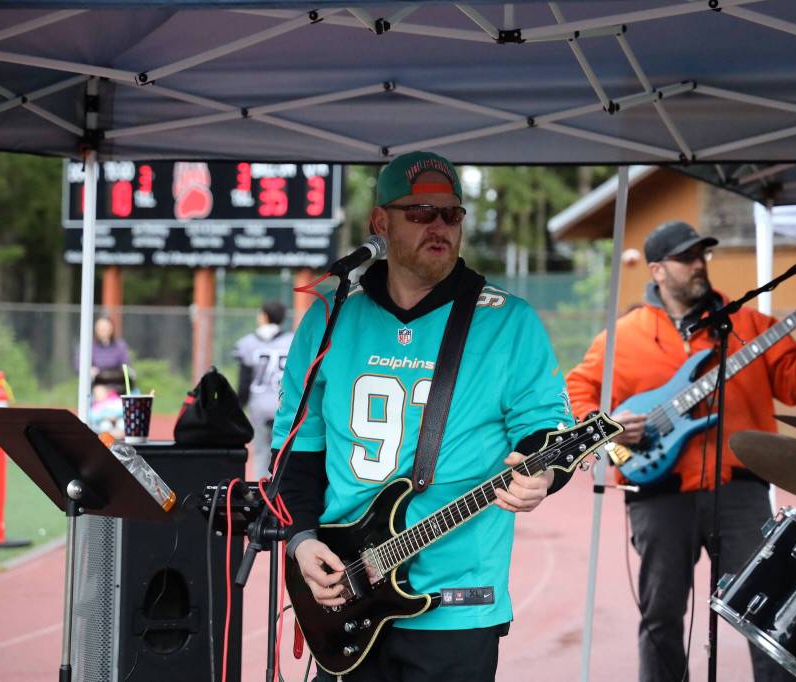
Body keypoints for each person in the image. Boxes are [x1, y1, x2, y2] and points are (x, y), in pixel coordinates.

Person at [271, 151, 572, 682]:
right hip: (345, 592)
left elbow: (545, 428)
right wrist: (301, 541)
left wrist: (543, 471)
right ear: (380, 223)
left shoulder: (509, 323)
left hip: (458, 601)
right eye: (421, 214)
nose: (440, 227)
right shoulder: (330, 314)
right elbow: (295, 451)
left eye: (452, 214)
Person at [565, 220, 796, 682]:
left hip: (739, 490)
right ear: (657, 270)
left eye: (702, 255)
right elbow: (579, 387)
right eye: (686, 258)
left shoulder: (748, 326)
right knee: (661, 615)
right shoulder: (625, 335)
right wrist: (609, 429)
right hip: (658, 492)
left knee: (770, 613)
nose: (699, 265)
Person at [233, 300, 294, 477]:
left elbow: (244, 384)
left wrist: (238, 408)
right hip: (284, 403)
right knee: (284, 454)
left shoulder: (248, 343)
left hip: (259, 405)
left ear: (264, 316)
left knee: (261, 453)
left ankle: (261, 495)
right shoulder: (291, 340)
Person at [89, 315, 132, 391]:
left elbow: (126, 363)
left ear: (111, 329)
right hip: (98, 383)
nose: (103, 330)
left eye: (105, 328)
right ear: (96, 329)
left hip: (118, 383)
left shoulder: (120, 345)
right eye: (100, 328)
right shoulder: (90, 346)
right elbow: (78, 365)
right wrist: (91, 370)